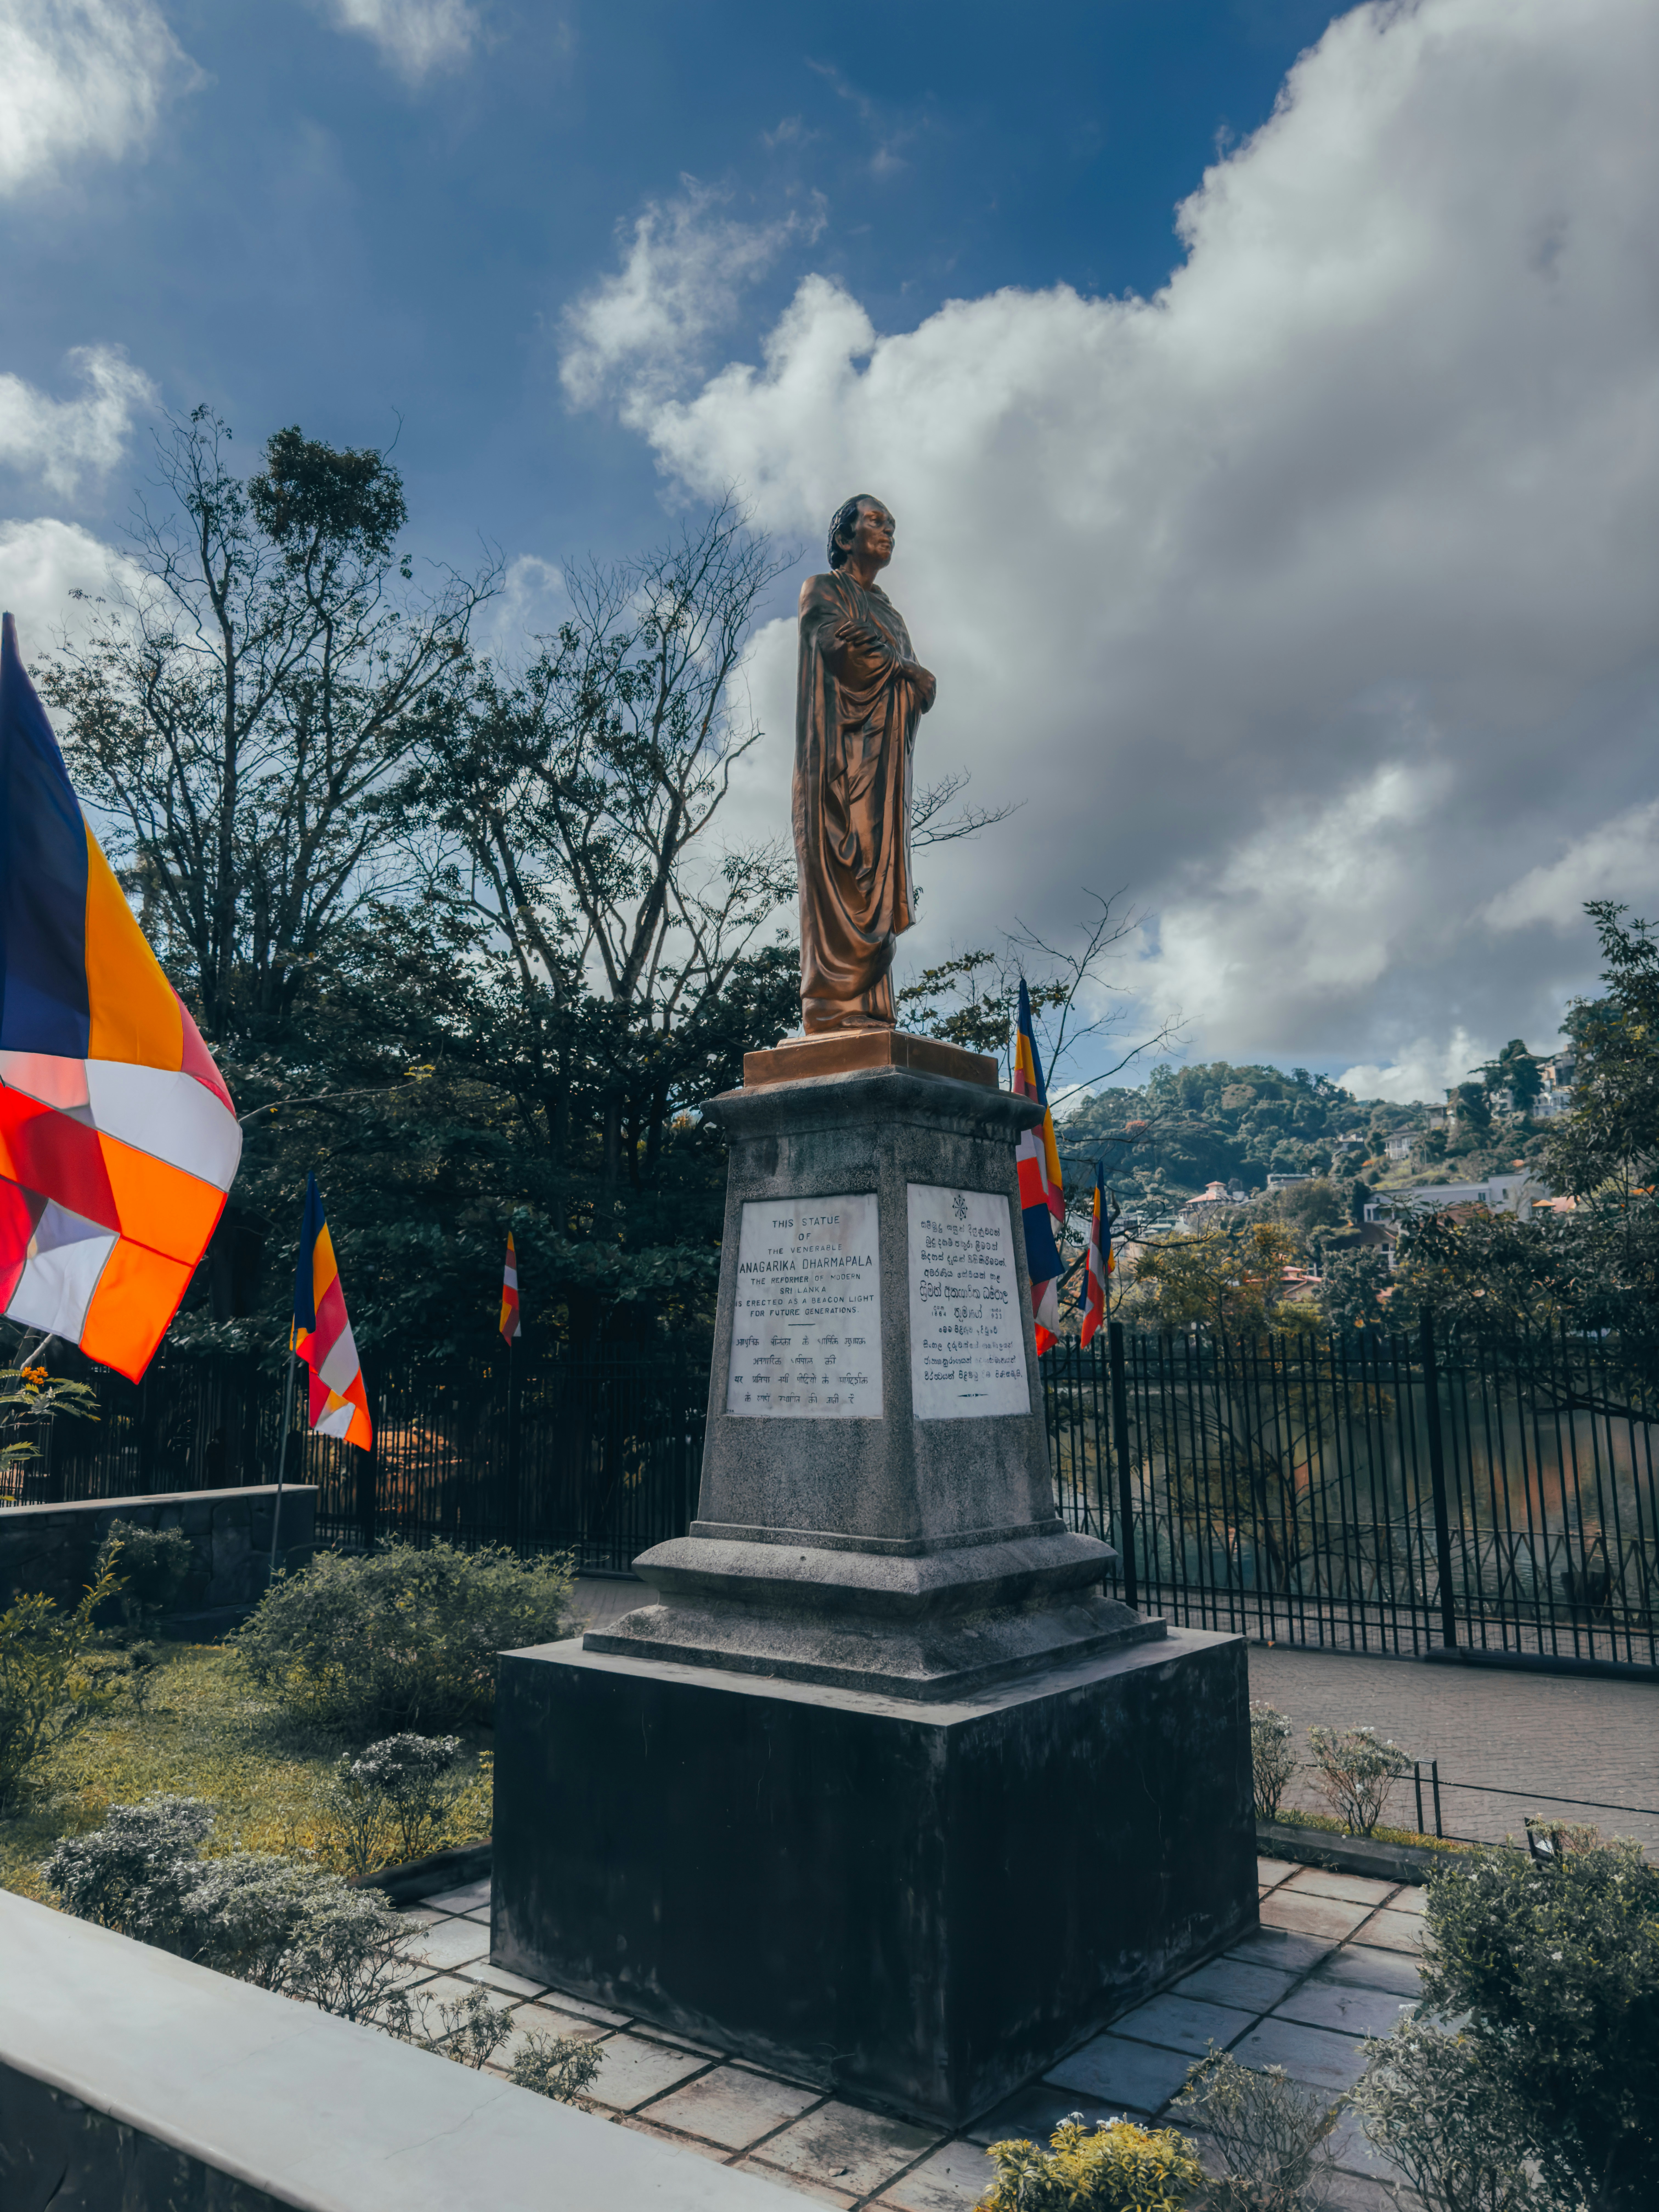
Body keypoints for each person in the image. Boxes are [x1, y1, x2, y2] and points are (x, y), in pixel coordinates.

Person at [793, 495, 937, 1032]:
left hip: (881, 766)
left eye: (892, 525)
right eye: (876, 522)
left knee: (875, 873)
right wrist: (904, 669)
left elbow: (915, 684)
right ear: (845, 537)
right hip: (835, 764)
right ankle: (831, 1007)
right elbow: (842, 649)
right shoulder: (823, 589)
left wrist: (904, 672)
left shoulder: (889, 613)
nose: (888, 531)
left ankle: (869, 1008)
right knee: (842, 873)